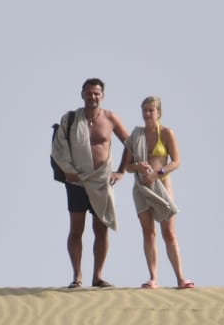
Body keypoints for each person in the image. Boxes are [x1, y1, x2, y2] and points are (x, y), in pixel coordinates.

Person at [51, 77, 129, 288]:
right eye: (89, 92)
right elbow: (58, 147)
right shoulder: (71, 118)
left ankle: (98, 276)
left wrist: (121, 171)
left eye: (96, 93)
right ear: (82, 94)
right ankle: (77, 276)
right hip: (76, 181)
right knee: (76, 229)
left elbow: (131, 144)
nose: (92, 96)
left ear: (102, 96)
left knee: (101, 229)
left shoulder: (110, 118)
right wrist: (68, 170)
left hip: (102, 181)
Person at [119, 95, 195, 289]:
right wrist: (138, 165)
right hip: (141, 187)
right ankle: (153, 277)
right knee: (148, 233)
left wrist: (157, 173)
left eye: (151, 110)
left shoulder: (167, 133)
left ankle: (181, 278)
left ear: (159, 112)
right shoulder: (136, 135)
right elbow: (127, 167)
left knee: (169, 232)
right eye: (144, 110)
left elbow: (176, 161)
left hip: (162, 184)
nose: (147, 114)